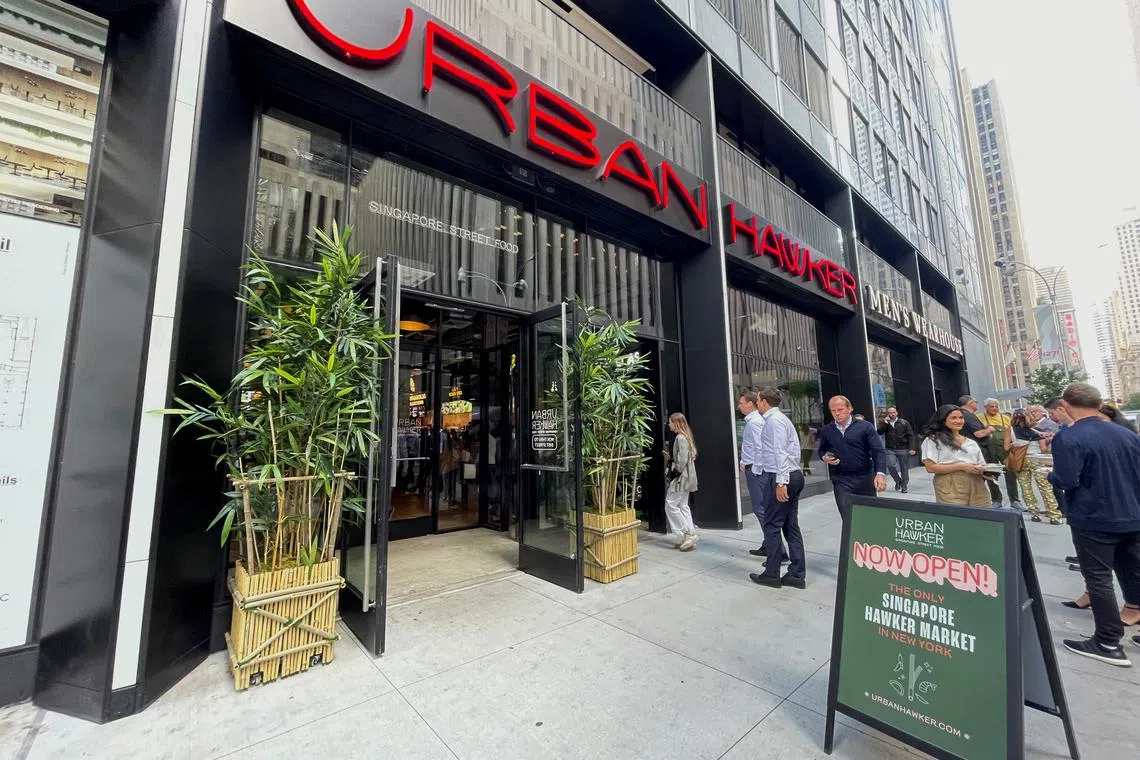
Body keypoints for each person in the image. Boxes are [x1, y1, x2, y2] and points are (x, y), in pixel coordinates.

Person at [1049, 383, 1140, 667]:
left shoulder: (1068, 438)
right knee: (1133, 571)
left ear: (1065, 405)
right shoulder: (1126, 434)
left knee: (1099, 578)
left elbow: (1066, 479)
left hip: (1093, 517)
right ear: (1099, 403)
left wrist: (1050, 476)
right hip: (1132, 513)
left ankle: (1107, 641)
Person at [748, 387, 807, 589]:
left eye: (757, 400)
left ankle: (772, 573)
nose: (756, 404)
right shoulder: (779, 420)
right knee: (790, 526)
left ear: (764, 402)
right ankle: (796, 575)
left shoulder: (774, 422)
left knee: (772, 526)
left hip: (783, 476)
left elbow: (780, 453)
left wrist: (781, 482)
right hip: (791, 475)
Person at [817, 396, 887, 520]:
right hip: (841, 480)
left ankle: (868, 539)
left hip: (865, 478)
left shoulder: (865, 427)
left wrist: (880, 473)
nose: (837, 413)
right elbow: (821, 450)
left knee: (869, 517)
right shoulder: (827, 430)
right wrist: (824, 457)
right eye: (833, 411)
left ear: (850, 409)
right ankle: (852, 540)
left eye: (840, 409)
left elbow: (878, 451)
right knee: (848, 518)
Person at [920, 405, 992, 506]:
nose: (958, 421)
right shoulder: (933, 440)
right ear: (943, 420)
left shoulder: (971, 443)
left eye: (961, 418)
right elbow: (931, 467)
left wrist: (986, 472)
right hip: (950, 485)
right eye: (953, 418)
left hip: (976, 484)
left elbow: (981, 464)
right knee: (956, 518)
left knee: (982, 516)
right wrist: (962, 467)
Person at [959, 395, 1019, 509]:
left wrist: (1012, 445)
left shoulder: (1005, 418)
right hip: (989, 448)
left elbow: (1010, 433)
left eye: (996, 406)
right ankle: (996, 499)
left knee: (1010, 473)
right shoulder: (979, 417)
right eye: (992, 406)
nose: (995, 408)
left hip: (1004, 448)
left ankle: (1015, 500)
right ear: (986, 407)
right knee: (991, 472)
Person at [1004, 409, 1063, 525]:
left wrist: (1015, 445)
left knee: (1026, 487)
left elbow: (1006, 448)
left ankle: (1034, 513)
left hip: (1020, 461)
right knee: (1045, 488)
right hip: (1036, 460)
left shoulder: (1010, 430)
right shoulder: (1037, 431)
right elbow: (1043, 449)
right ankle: (1055, 516)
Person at [662, 412, 700, 551]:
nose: (669, 424)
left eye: (671, 422)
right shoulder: (686, 437)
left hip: (681, 478)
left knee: (670, 504)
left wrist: (674, 472)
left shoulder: (680, 438)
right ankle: (689, 533)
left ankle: (686, 533)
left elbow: (682, 460)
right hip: (687, 477)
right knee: (683, 505)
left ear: (676, 423)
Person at [877, 407, 918, 493]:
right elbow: (879, 432)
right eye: (890, 413)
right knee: (890, 465)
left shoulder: (903, 422)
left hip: (903, 448)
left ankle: (904, 486)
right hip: (890, 449)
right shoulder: (885, 423)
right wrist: (885, 423)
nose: (892, 414)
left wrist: (912, 448)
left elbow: (911, 436)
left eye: (894, 412)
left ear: (897, 413)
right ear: (888, 414)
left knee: (904, 468)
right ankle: (898, 481)